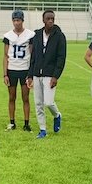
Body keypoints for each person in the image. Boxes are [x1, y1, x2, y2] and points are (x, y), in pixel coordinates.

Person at [26, 10, 66, 139]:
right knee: (38, 103)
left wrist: (56, 76)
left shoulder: (59, 36)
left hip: (50, 74)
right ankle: (42, 130)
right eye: (48, 19)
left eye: (52, 19)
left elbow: (61, 58)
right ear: (43, 20)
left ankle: (57, 115)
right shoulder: (36, 35)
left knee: (48, 102)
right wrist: (30, 75)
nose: (50, 21)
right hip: (37, 73)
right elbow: (33, 56)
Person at [3, 10, 35, 131]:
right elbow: (5, 55)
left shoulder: (30, 35)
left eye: (19, 20)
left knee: (25, 97)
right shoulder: (8, 36)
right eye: (14, 20)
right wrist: (5, 73)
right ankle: (12, 122)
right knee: (12, 97)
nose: (16, 23)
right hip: (12, 69)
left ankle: (26, 123)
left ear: (22, 21)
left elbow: (32, 54)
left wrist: (31, 73)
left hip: (25, 69)